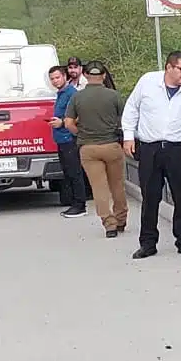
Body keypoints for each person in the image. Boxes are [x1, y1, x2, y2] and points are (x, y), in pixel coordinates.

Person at [122, 50, 181, 259]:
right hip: (150, 148)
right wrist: (128, 136)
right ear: (169, 67)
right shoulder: (148, 82)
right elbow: (131, 109)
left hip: (178, 149)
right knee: (150, 196)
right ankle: (148, 243)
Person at [64, 61, 127, 238]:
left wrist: (81, 134)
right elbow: (125, 119)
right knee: (117, 185)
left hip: (88, 148)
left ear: (85, 75)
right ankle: (121, 219)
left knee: (99, 187)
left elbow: (68, 123)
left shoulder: (77, 97)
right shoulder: (114, 96)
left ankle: (109, 224)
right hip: (111, 145)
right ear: (104, 76)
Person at [47, 64, 87, 218]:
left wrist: (62, 122)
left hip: (70, 137)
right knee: (68, 173)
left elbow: (78, 115)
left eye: (57, 77)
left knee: (75, 172)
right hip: (61, 138)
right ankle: (73, 203)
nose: (55, 81)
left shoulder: (72, 93)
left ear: (65, 76)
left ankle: (80, 204)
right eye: (52, 79)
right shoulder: (61, 94)